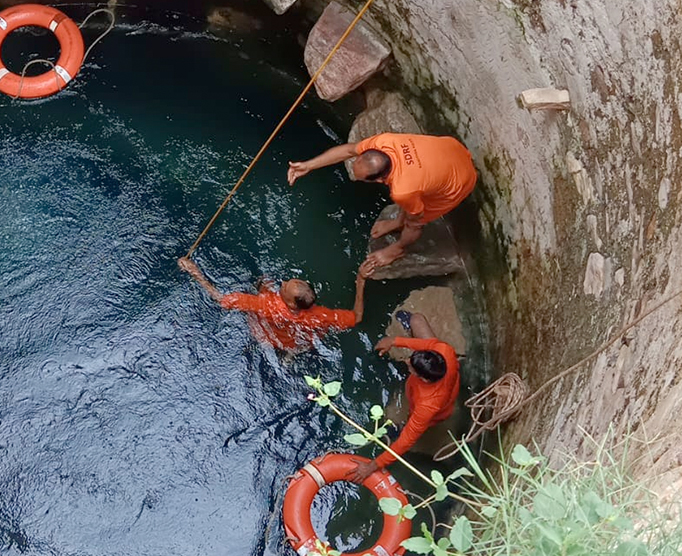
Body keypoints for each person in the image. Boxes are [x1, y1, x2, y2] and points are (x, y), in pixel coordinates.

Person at [286, 133, 477, 276]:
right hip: (452, 149)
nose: (355, 177)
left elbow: (416, 222)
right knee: (414, 198)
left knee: (415, 217)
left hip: (460, 179)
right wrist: (309, 165)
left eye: (362, 179)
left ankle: (398, 249)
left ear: (379, 180)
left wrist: (400, 238)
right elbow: (348, 150)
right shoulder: (383, 143)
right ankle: (396, 223)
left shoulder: (403, 189)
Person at [350, 310, 460, 482]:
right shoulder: (445, 351)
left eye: (411, 366)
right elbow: (428, 345)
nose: (407, 361)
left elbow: (406, 442)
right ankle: (412, 327)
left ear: (423, 378)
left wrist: (373, 466)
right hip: (443, 381)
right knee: (417, 319)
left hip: (435, 411)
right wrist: (394, 341)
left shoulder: (427, 406)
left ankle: (401, 425)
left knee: (405, 430)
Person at [178, 257, 365, 352]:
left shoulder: (265, 305)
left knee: (263, 282)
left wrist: (195, 272)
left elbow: (220, 299)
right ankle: (291, 355)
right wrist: (361, 281)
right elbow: (357, 318)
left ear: (291, 303)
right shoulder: (320, 315)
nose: (282, 283)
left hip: (267, 339)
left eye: (284, 287)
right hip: (297, 343)